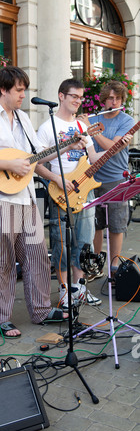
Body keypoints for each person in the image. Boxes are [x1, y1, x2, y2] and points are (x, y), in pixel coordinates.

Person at [0, 66, 89, 338]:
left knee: (37, 257)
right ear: (4, 89)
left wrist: (65, 151)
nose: (23, 95)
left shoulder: (22, 118)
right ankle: (0, 319)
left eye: (24, 90)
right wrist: (7, 163)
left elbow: (32, 160)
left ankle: (41, 310)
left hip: (26, 196)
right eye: (19, 90)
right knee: (2, 260)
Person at [36, 78, 107, 311]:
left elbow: (94, 160)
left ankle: (79, 288)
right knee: (62, 243)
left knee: (84, 242)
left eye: (80, 97)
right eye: (74, 96)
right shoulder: (48, 127)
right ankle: (65, 291)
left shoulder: (81, 126)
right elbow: (36, 162)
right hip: (60, 191)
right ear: (61, 96)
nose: (78, 101)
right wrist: (57, 178)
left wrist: (114, 149)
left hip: (84, 191)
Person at [78, 80, 135, 282]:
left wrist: (92, 129)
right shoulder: (96, 118)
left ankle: (114, 267)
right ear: (103, 100)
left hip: (116, 179)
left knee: (117, 226)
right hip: (92, 178)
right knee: (97, 225)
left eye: (118, 98)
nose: (114, 101)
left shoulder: (126, 121)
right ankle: (95, 267)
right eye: (110, 98)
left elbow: (112, 148)